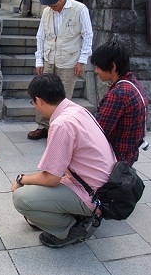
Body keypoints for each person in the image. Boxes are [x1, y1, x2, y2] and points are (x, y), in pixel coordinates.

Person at [12, 74, 116, 249]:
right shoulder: (77, 109)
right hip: (104, 188)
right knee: (36, 184)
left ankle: (70, 229)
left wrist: (20, 179)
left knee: (21, 198)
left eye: (33, 102)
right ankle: (72, 214)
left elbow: (51, 179)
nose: (35, 106)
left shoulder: (61, 124)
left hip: (93, 195)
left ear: (39, 100)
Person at [27, 0, 93, 140]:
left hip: (69, 61)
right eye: (48, 3)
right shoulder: (47, 12)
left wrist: (82, 60)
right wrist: (39, 60)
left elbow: (88, 35)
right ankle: (42, 126)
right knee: (43, 93)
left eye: (54, 3)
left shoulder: (80, 9)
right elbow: (40, 37)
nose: (51, 6)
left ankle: (59, 129)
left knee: (63, 97)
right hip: (49, 58)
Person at [91, 40, 148, 166]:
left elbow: (98, 132)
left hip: (116, 158)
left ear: (113, 66)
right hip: (129, 154)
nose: (96, 71)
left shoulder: (119, 94)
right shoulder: (133, 83)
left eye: (98, 67)